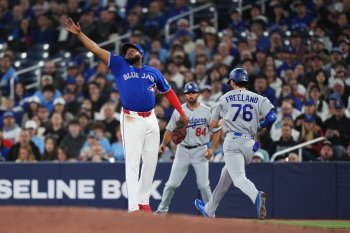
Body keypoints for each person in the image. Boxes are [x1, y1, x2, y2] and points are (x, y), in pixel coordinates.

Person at [64, 18, 188, 213]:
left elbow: (169, 92)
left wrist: (181, 112)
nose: (128, 52)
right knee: (132, 162)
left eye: (132, 50)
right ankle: (132, 208)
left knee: (151, 161)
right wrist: (80, 34)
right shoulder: (120, 64)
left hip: (151, 119)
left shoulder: (153, 72)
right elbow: (96, 49)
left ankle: (143, 201)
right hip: (131, 118)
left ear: (141, 54)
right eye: (127, 50)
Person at [194, 68, 277, 220]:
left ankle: (256, 195)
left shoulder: (224, 98)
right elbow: (272, 117)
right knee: (225, 176)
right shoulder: (258, 98)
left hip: (233, 141)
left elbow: (212, 125)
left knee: (238, 178)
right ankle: (209, 209)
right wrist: (260, 125)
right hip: (250, 144)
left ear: (232, 82)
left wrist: (220, 124)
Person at [154, 82, 221, 215]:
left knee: (203, 185)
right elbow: (169, 130)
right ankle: (162, 210)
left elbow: (217, 131)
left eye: (193, 93)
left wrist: (212, 149)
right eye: (188, 93)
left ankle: (211, 214)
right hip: (182, 150)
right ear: (185, 95)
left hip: (200, 150)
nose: (190, 95)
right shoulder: (179, 110)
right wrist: (163, 144)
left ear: (198, 94)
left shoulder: (208, 111)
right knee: (171, 184)